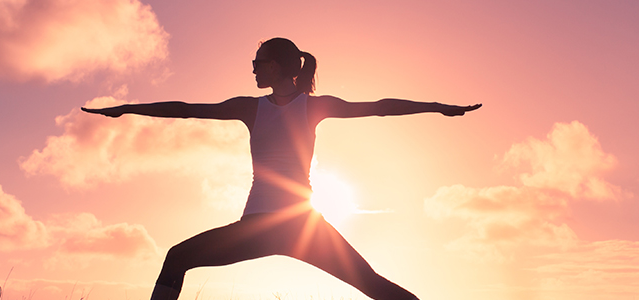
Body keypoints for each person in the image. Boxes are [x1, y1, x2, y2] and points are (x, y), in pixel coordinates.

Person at [82, 37, 481, 300]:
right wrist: (126, 108)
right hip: (290, 226)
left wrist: (436, 106)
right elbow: (185, 111)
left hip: (282, 225)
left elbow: (378, 107)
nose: (253, 69)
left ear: (276, 67)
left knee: (374, 286)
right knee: (374, 286)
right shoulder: (251, 107)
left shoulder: (311, 106)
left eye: (258, 62)